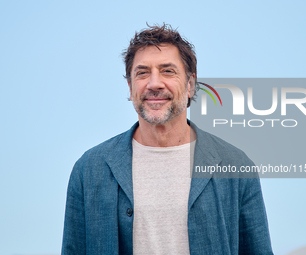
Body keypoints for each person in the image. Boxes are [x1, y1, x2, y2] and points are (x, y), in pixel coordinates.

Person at [61, 24, 273, 255]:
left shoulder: (236, 166)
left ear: (190, 85)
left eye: (168, 71)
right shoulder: (90, 169)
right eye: (142, 73)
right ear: (131, 88)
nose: (154, 84)